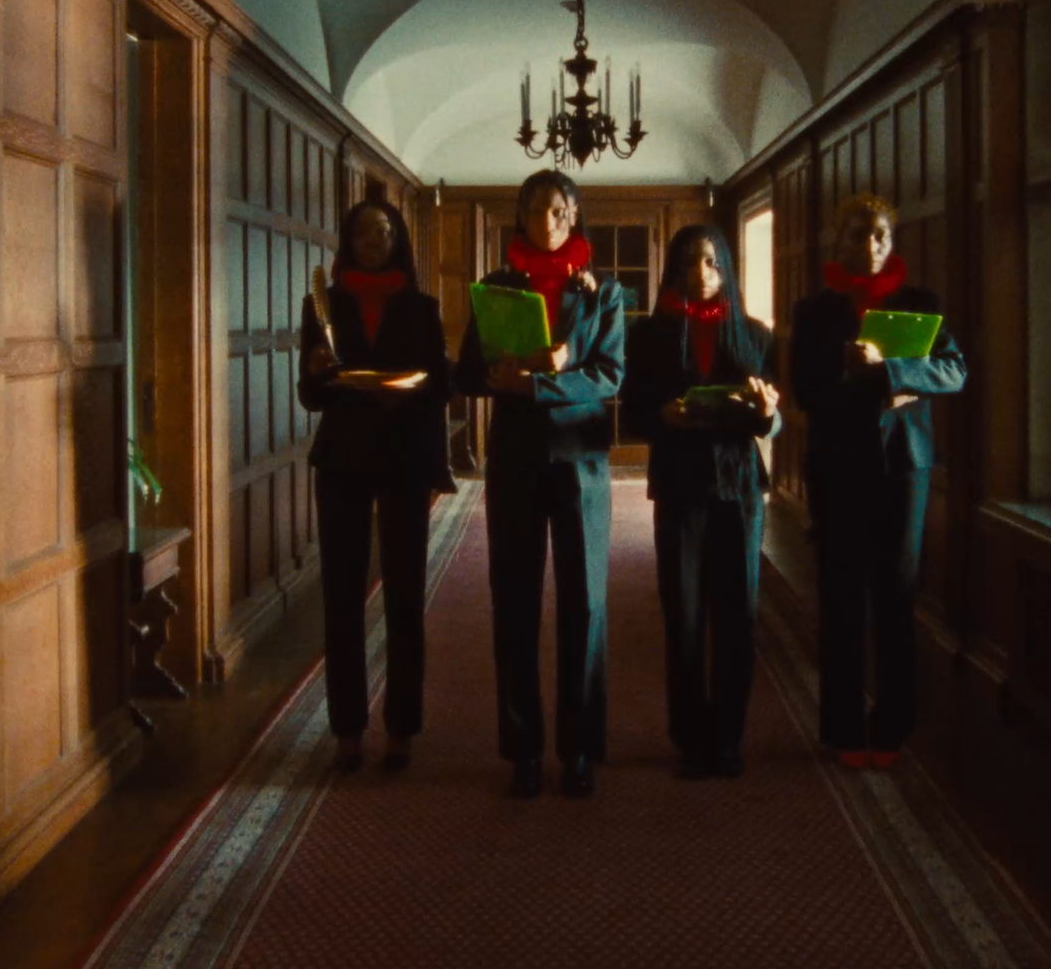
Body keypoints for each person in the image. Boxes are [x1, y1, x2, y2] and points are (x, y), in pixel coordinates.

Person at [453, 170, 627, 799]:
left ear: (573, 217)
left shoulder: (602, 293)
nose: (548, 222)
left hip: (581, 461)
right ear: (520, 216)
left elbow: (610, 376)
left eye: (559, 211)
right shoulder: (497, 286)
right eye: (536, 210)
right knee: (515, 600)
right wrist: (513, 370)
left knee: (585, 604)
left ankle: (579, 747)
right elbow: (470, 373)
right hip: (516, 458)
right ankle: (522, 748)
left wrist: (548, 376)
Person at [788, 192, 967, 771]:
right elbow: (807, 394)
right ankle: (842, 731)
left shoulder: (921, 305)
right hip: (837, 465)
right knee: (841, 599)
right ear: (837, 241)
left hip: (903, 468)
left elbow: (954, 370)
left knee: (896, 597)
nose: (868, 246)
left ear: (893, 242)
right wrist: (860, 375)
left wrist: (891, 370)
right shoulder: (814, 311)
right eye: (857, 235)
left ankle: (891, 730)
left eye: (880, 236)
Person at [298, 199, 456, 774]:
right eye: (363, 231)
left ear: (399, 240)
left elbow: (441, 386)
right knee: (341, 598)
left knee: (405, 596)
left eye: (384, 230)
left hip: (403, 458)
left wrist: (405, 391)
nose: (374, 238)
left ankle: (402, 730)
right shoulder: (323, 305)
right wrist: (317, 369)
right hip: (341, 460)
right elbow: (311, 396)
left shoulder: (422, 307)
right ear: (348, 239)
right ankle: (346, 731)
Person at [621, 225, 783, 780]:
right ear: (674, 270)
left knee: (737, 617)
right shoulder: (650, 335)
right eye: (690, 263)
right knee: (684, 615)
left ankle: (729, 737)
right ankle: (690, 736)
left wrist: (765, 413)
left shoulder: (756, 336)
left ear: (728, 270)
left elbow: (777, 419)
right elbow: (633, 411)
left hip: (739, 490)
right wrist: (662, 418)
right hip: (679, 486)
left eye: (713, 264)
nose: (702, 274)